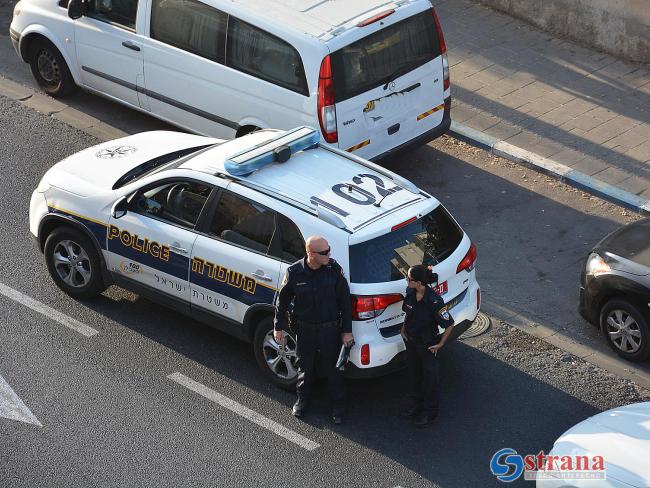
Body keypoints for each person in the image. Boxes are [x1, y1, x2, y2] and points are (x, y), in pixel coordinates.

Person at [274, 235, 354, 424]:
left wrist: (347, 331)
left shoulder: (334, 271)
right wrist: (278, 326)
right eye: (324, 252)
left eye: (329, 250)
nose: (329, 254)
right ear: (310, 253)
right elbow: (282, 300)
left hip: (330, 330)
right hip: (305, 329)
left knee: (334, 370)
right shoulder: (294, 272)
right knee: (305, 368)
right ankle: (302, 402)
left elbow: (345, 303)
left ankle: (338, 407)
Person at [400, 264, 455, 427]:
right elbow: (408, 313)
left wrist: (440, 344)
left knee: (430, 380)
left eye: (409, 279)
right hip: (411, 341)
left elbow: (449, 324)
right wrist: (403, 328)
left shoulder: (434, 301)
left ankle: (429, 413)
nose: (406, 281)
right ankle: (415, 406)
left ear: (418, 282)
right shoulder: (410, 293)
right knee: (414, 376)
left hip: (427, 345)